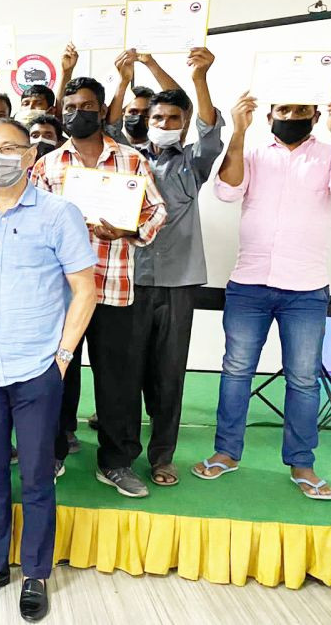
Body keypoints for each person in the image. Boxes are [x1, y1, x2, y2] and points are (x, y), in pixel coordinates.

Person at [0, 120, 97, 621]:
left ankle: (35, 572)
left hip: (36, 367)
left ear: (31, 155)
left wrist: (63, 356)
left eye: (9, 148)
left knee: (35, 474)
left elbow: (84, 289)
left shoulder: (60, 215)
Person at [192, 92, 331, 501]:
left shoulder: (328, 152)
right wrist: (239, 132)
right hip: (250, 284)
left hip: (307, 287)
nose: (291, 116)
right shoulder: (255, 151)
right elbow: (225, 192)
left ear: (315, 114)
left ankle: (302, 463)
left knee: (303, 378)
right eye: (284, 109)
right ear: (270, 114)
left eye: (300, 110)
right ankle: (226, 453)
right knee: (237, 371)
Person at [31, 77, 166, 498]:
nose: (77, 113)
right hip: (62, 294)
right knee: (56, 375)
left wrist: (129, 230)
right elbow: (31, 223)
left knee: (118, 380)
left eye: (87, 106)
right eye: (69, 106)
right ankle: (51, 451)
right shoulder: (48, 165)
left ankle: (116, 461)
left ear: (103, 109)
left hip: (113, 285)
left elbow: (156, 211)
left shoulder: (132, 161)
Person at [108, 49, 224, 487]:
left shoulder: (194, 161)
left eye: (174, 118)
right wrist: (124, 80)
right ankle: (122, 452)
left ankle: (162, 457)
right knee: (127, 370)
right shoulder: (125, 159)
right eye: (158, 117)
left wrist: (197, 77)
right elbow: (111, 126)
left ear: (183, 122)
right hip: (130, 280)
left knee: (169, 374)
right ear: (146, 120)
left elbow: (210, 127)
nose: (165, 124)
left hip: (178, 283)